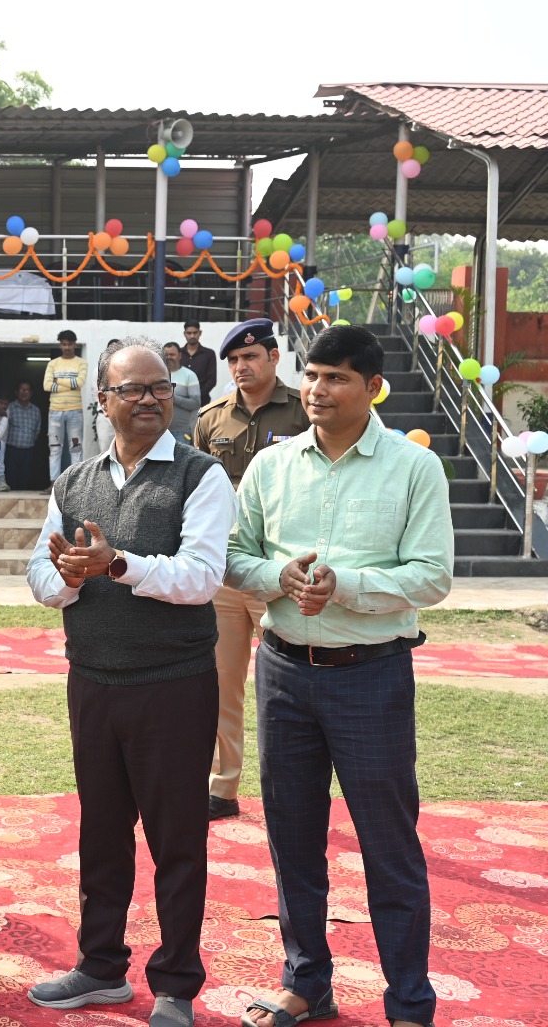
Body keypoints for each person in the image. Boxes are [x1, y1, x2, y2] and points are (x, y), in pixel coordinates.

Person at [226, 325, 453, 1027]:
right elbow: (233, 555)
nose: (317, 390)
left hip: (371, 677)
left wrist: (345, 585)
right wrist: (280, 576)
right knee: (293, 837)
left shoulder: (414, 468)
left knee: (389, 844)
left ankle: (409, 1003)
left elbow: (433, 575)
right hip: (283, 672)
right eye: (312, 376)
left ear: (373, 387)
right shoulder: (271, 466)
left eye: (336, 378)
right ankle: (306, 984)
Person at [26, 337, 234, 1027]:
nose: (150, 399)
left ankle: (176, 984)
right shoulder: (73, 483)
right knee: (102, 831)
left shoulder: (201, 475)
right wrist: (68, 577)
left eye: (161, 387)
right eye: (134, 389)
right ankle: (101, 967)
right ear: (102, 400)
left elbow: (201, 576)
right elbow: (39, 572)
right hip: (92, 681)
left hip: (173, 685)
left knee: (177, 838)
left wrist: (117, 565)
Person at [194, 318, 311, 821]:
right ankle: (221, 789)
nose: (241, 366)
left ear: (273, 357)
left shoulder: (305, 411)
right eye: (234, 360)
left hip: (283, 572)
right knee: (221, 684)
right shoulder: (210, 419)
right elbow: (197, 491)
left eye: (250, 357)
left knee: (290, 687)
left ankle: (292, 791)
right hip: (224, 571)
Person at [44, 330, 88, 488]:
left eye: (70, 344)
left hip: (75, 411)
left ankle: (75, 485)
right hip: (55, 412)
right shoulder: (53, 363)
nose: (67, 347)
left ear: (75, 344)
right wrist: (71, 384)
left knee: (76, 448)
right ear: (60, 345)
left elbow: (80, 383)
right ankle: (54, 484)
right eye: (64, 344)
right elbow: (46, 386)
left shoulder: (81, 363)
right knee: (55, 448)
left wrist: (58, 380)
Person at [3, 381, 42, 491]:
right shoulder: (10, 407)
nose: (24, 392)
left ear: (31, 393)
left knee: (26, 478)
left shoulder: (36, 410)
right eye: (21, 389)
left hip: (28, 451)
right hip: (12, 450)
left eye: (27, 390)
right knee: (11, 477)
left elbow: (37, 430)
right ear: (16, 392)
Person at [163, 343, 200, 444]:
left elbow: (195, 403)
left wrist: (173, 398)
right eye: (166, 355)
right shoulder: (158, 374)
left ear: (180, 355)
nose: (169, 357)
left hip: (181, 432)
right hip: (160, 432)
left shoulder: (189, 375)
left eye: (172, 354)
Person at [181, 320, 218, 405]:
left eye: (195, 333)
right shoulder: (179, 354)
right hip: (180, 402)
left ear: (200, 333)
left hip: (202, 401)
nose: (192, 336)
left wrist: (196, 396)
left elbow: (211, 380)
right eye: (189, 333)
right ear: (184, 334)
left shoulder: (209, 354)